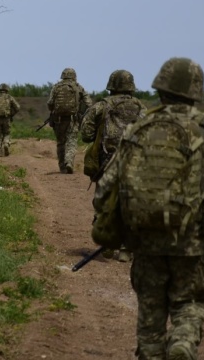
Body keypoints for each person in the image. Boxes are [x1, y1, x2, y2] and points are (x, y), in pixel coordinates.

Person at [93, 57, 204, 360]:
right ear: (196, 91)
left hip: (144, 241)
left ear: (159, 87)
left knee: (150, 310)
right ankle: (182, 345)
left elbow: (104, 189)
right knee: (189, 302)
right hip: (190, 241)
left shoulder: (138, 128)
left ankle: (151, 354)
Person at [81, 69, 147, 262]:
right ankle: (126, 250)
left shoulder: (101, 106)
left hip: (107, 161)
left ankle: (107, 245)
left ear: (111, 86)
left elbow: (86, 133)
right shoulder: (141, 108)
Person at [47, 68, 93, 173]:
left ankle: (62, 167)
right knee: (71, 141)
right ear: (74, 76)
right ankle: (69, 162)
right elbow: (89, 104)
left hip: (58, 120)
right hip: (73, 119)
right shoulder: (78, 87)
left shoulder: (56, 87)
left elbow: (50, 103)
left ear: (62, 75)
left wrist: (54, 110)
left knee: (60, 143)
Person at [0, 83, 20, 156]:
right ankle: (6, 144)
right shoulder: (9, 97)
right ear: (7, 89)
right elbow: (18, 107)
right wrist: (12, 114)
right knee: (7, 133)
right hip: (6, 119)